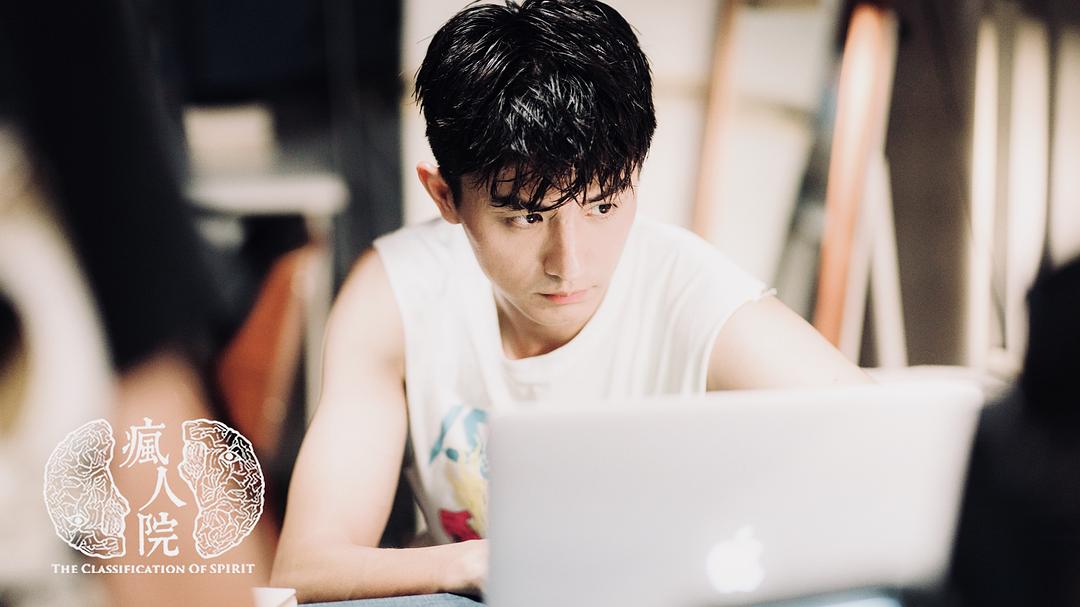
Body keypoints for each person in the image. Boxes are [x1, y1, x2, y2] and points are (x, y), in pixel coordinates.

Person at [271, 1, 868, 603]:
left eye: (603, 206)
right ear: (445, 196)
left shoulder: (695, 295)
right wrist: (476, 562)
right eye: (526, 217)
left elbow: (882, 444)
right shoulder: (398, 293)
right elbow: (306, 569)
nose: (570, 264)